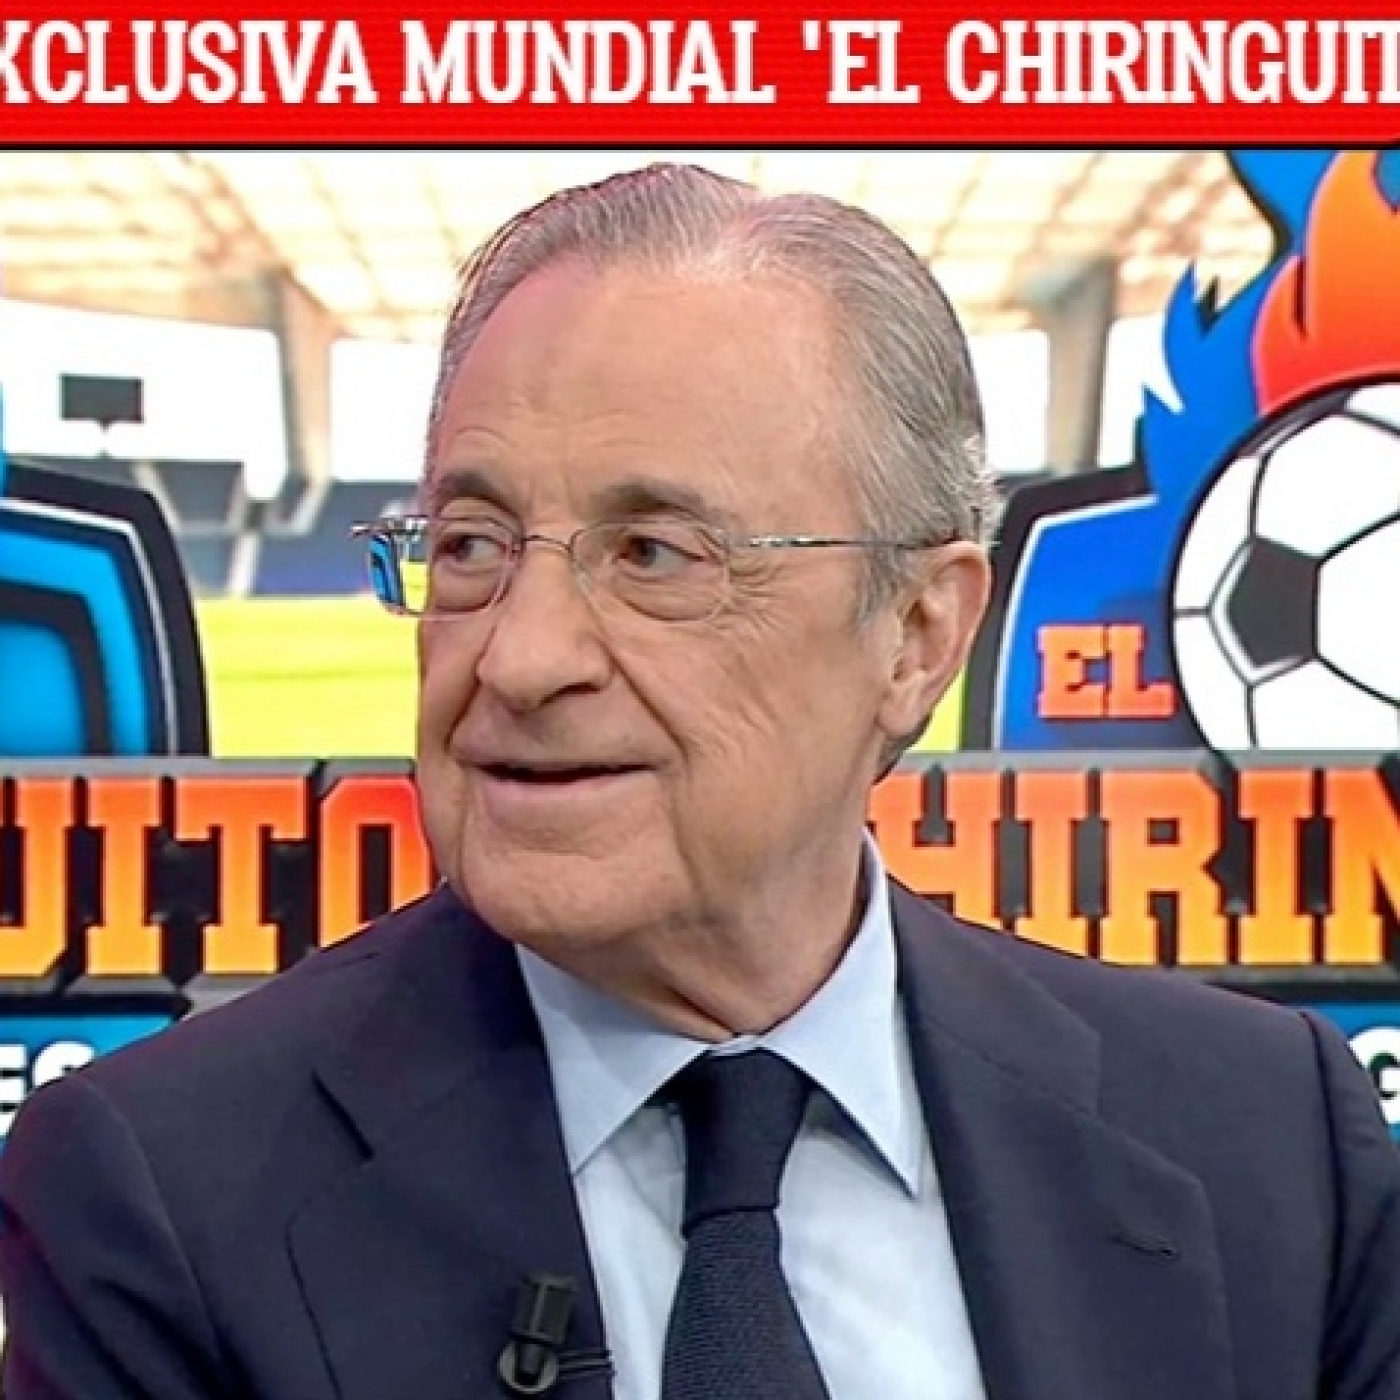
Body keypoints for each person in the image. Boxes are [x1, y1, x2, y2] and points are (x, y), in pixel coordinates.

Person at [2, 163, 1398, 1400]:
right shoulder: (157, 1194)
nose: (519, 659)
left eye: (655, 556)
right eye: (472, 544)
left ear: (919, 635)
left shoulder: (1270, 1139)